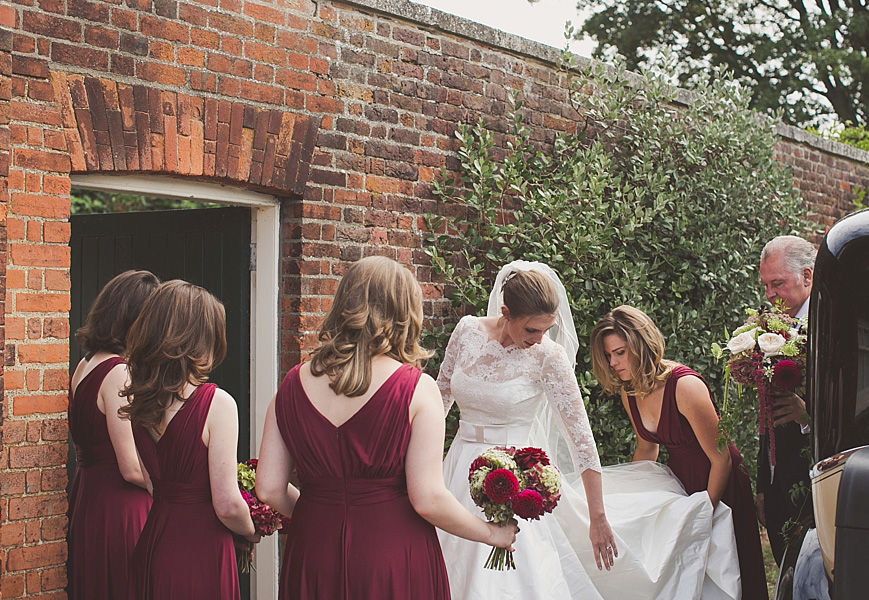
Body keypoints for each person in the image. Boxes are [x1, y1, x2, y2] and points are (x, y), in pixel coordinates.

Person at [438, 261, 741, 600]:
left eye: (547, 330)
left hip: (517, 477)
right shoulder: (467, 331)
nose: (540, 340)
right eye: (531, 331)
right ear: (506, 312)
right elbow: (440, 399)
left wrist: (598, 517)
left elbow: (581, 440)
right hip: (458, 468)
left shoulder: (547, 357)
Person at [255, 256, 517, 599]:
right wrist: (491, 533)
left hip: (313, 551)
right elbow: (427, 498)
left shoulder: (290, 385)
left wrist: (319, 512)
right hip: (394, 554)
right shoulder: (416, 389)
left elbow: (270, 489)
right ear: (405, 312)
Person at [591, 305, 768, 600]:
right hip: (681, 482)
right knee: (691, 574)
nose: (613, 362)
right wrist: (635, 498)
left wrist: (704, 511)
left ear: (641, 345)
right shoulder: (629, 390)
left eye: (620, 352)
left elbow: (721, 456)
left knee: (729, 567)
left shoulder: (684, 386)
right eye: (609, 355)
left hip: (719, 477)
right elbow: (647, 447)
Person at [121, 280, 257, 600]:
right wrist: (254, 530)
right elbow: (226, 505)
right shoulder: (217, 404)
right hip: (201, 551)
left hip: (155, 544)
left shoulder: (140, 402)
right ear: (201, 339)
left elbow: (155, 487)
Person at [68, 270, 159, 600]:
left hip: (89, 498)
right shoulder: (119, 372)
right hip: (121, 508)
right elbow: (131, 468)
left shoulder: (86, 363)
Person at [758, 235, 817, 564]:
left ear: (806, 276)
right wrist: (763, 485)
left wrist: (806, 416)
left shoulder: (830, 325)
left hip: (813, 482)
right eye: (765, 285)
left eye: (777, 283)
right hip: (777, 481)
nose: (770, 294)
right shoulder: (768, 330)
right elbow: (765, 415)